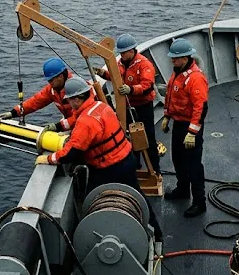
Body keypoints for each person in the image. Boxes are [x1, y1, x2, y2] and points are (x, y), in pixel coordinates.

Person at [36, 76, 159, 232]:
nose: (69, 104)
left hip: (108, 168)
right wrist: (58, 126)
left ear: (77, 99)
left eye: (69, 100)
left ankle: (93, 233)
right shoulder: (100, 106)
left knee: (92, 201)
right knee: (136, 197)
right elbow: (76, 121)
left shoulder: (86, 122)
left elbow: (71, 153)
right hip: (127, 158)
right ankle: (155, 230)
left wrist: (48, 158)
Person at [94, 33, 160, 172]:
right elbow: (116, 76)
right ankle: (135, 166)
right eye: (121, 53)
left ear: (132, 51)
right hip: (127, 105)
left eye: (124, 53)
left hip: (143, 106)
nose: (122, 55)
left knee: (148, 137)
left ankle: (155, 168)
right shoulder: (121, 63)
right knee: (130, 137)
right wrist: (103, 74)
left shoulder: (144, 64)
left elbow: (147, 86)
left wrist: (131, 89)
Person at [162, 38, 209, 218]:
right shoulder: (177, 73)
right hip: (179, 123)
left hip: (190, 127)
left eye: (175, 58)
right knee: (178, 159)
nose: (172, 61)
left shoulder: (195, 78)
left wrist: (192, 133)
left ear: (186, 57)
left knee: (193, 165)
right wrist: (166, 116)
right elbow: (170, 96)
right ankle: (182, 189)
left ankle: (199, 202)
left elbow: (200, 107)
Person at [0, 57, 75, 131]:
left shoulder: (78, 90)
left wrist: (59, 126)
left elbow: (82, 116)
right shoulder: (52, 89)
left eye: (51, 80)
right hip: (70, 122)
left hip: (82, 123)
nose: (49, 83)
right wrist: (13, 113)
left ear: (60, 77)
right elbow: (36, 101)